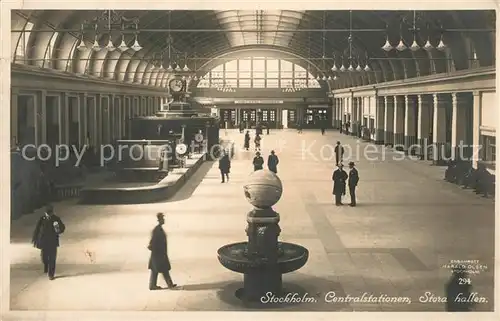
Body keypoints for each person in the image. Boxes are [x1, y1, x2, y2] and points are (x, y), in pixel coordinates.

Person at [32, 204, 66, 280]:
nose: (48, 214)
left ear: (52, 212)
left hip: (53, 242)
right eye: (47, 213)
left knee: (52, 258)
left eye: (50, 213)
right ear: (45, 213)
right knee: (44, 257)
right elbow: (37, 229)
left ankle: (51, 274)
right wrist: (35, 239)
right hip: (44, 241)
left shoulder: (56, 219)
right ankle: (46, 265)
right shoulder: (42, 219)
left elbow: (62, 228)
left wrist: (58, 229)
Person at [148, 213, 177, 290]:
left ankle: (167, 284)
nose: (164, 220)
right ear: (159, 220)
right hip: (158, 254)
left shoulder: (158, 229)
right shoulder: (157, 230)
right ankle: (154, 285)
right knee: (159, 269)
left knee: (159, 269)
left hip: (159, 253)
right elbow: (153, 242)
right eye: (162, 219)